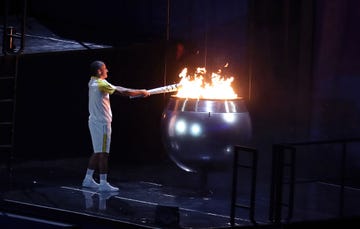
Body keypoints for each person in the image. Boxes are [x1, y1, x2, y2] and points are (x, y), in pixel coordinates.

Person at [82, 60, 150, 192]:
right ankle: (103, 183)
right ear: (99, 71)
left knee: (97, 151)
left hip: (94, 121)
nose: (107, 70)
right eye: (105, 68)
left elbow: (115, 87)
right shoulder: (101, 84)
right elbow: (122, 91)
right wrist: (141, 91)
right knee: (103, 154)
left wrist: (137, 93)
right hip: (102, 123)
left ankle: (88, 179)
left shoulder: (93, 81)